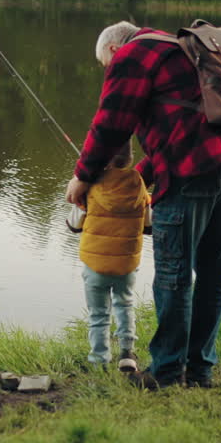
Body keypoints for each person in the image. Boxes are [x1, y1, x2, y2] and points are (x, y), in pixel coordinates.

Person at [65, 21, 221, 388]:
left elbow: (112, 123)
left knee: (174, 274)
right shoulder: (179, 49)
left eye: (106, 67)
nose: (110, 71)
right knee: (213, 274)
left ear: (112, 51)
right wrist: (137, 178)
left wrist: (83, 175)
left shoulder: (133, 55)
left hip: (193, 173)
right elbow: (185, 126)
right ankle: (200, 370)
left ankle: (167, 373)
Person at [66, 142, 150, 372]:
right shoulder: (139, 183)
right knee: (125, 304)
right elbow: (149, 224)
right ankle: (127, 354)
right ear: (130, 159)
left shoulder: (91, 185)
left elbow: (74, 225)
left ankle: (99, 359)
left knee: (99, 314)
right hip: (126, 263)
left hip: (95, 266)